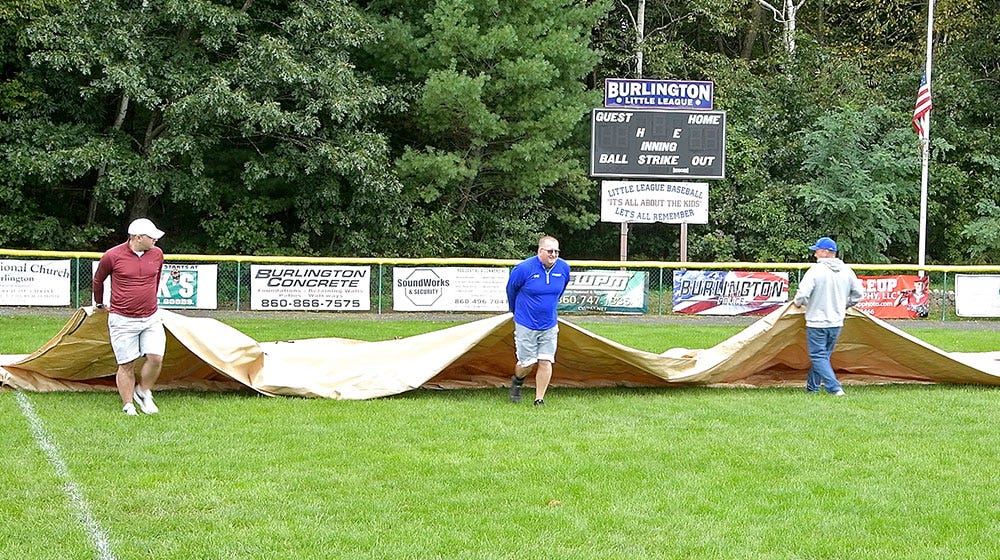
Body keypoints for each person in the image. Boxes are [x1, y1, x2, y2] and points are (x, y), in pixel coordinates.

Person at [93, 218, 173, 416]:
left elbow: (156, 279)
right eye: (152, 237)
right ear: (138, 238)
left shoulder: (157, 254)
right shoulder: (112, 256)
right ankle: (128, 404)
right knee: (126, 364)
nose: (156, 240)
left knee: (156, 357)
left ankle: (144, 391)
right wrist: (99, 303)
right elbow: (98, 280)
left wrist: (150, 301)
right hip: (122, 320)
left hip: (151, 317)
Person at [792, 236, 863, 396]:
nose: (815, 254)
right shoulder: (847, 270)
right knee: (823, 356)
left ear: (825, 252)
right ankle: (812, 388)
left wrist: (798, 303)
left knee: (818, 356)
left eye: (816, 251)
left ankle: (834, 387)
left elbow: (802, 294)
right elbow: (858, 294)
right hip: (837, 322)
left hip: (817, 321)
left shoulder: (815, 271)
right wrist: (844, 305)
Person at [505, 235, 570, 406]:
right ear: (540, 251)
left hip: (549, 324)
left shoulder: (563, 268)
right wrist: (516, 311)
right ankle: (517, 381)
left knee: (546, 359)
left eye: (556, 251)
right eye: (550, 251)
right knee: (527, 363)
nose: (554, 254)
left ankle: (539, 399)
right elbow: (511, 290)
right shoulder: (524, 269)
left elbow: (560, 290)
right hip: (526, 323)